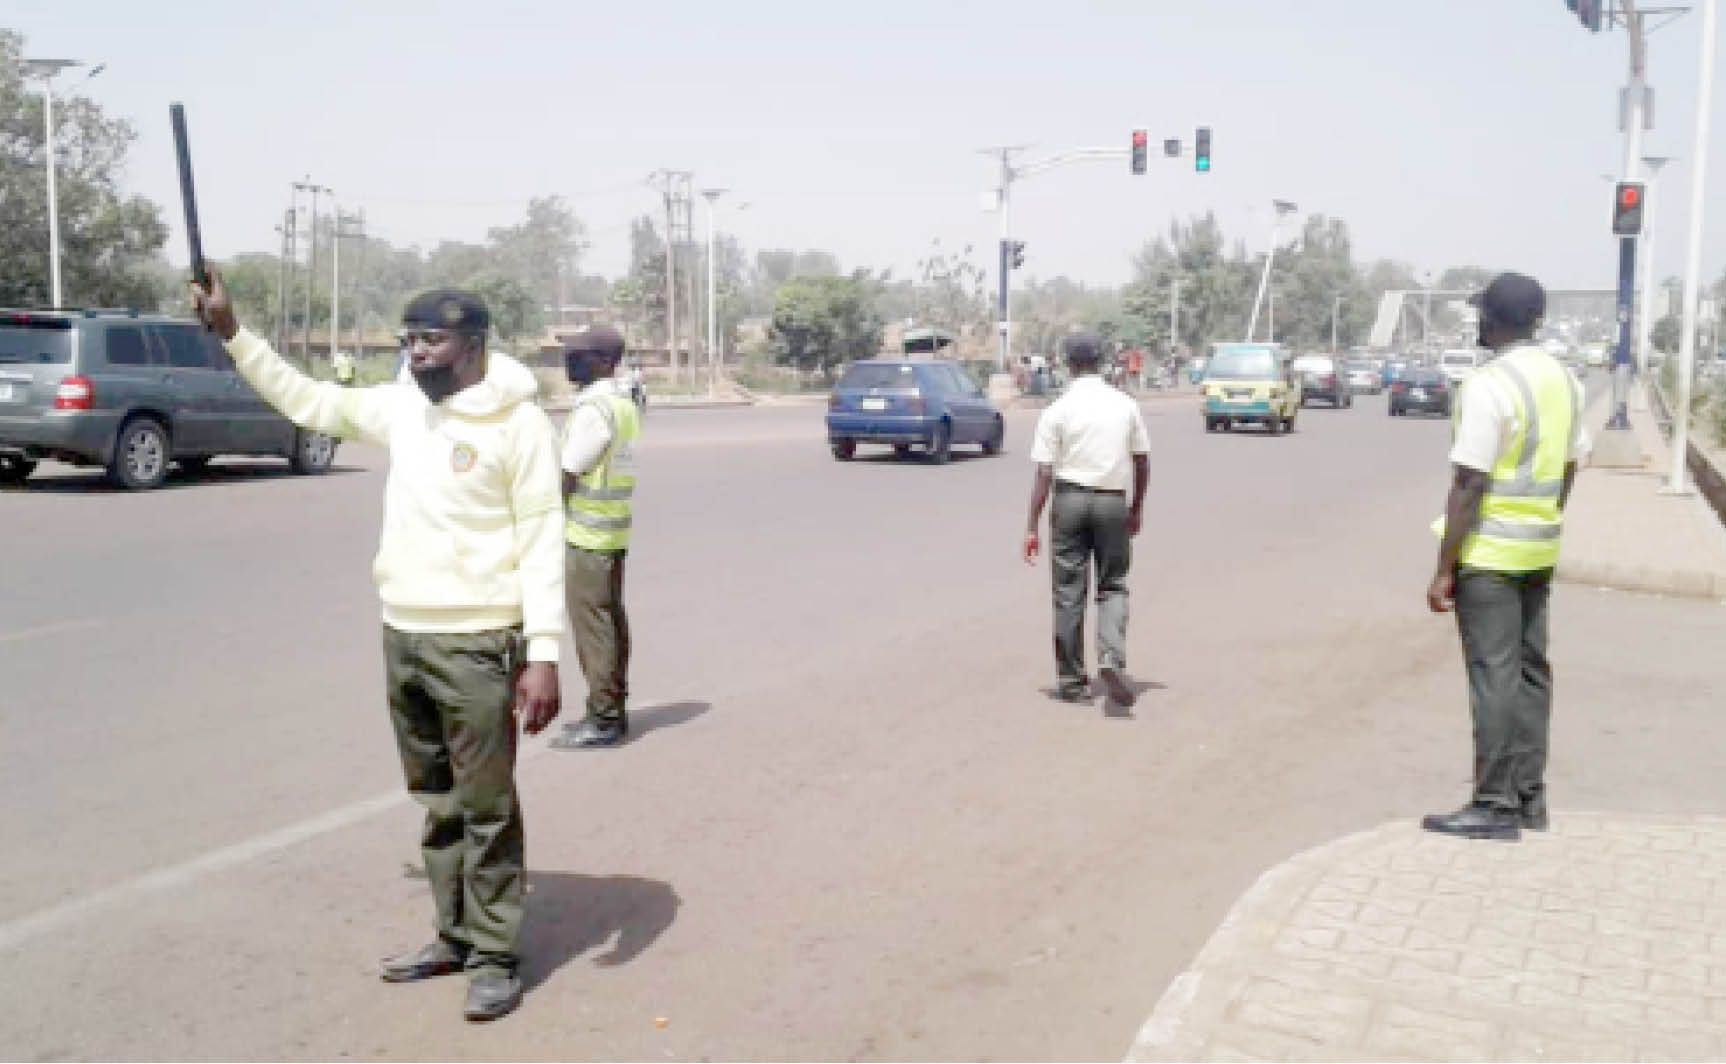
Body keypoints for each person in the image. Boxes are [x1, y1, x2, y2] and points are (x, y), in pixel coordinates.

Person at [190, 272, 564, 1021]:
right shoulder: (402, 408)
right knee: (438, 800)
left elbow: (543, 537)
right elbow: (308, 399)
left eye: (431, 340)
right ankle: (455, 934)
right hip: (405, 633)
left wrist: (544, 653)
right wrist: (234, 332)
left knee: (486, 807)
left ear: (473, 345)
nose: (416, 352)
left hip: (480, 640)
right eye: (409, 339)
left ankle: (494, 955)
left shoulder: (519, 425)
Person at [1422, 272, 1588, 841]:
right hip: (1539, 547)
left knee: (1493, 676)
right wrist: (1544, 520)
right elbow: (1569, 466)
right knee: (1530, 673)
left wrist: (1445, 567)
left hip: (1490, 554)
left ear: (1491, 321)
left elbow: (1469, 482)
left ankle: (1493, 804)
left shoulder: (1487, 385)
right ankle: (1529, 798)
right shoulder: (1566, 380)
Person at [1022, 332, 1150, 708]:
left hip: (1069, 502)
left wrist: (1032, 525)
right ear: (1102, 361)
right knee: (1112, 585)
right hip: (1112, 502)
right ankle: (1111, 658)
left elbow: (1044, 472)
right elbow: (1142, 460)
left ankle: (1072, 682)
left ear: (1068, 364)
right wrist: (1137, 507)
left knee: (1067, 593)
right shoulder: (1124, 405)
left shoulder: (1056, 409)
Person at [549, 325, 641, 750]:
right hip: (609, 532)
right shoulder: (621, 404)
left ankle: (603, 718)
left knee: (594, 629)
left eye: (580, 355)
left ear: (605, 362)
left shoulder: (595, 410)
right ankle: (612, 707)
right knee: (609, 623)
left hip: (587, 536)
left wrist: (543, 524)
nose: (571, 361)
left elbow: (566, 475)